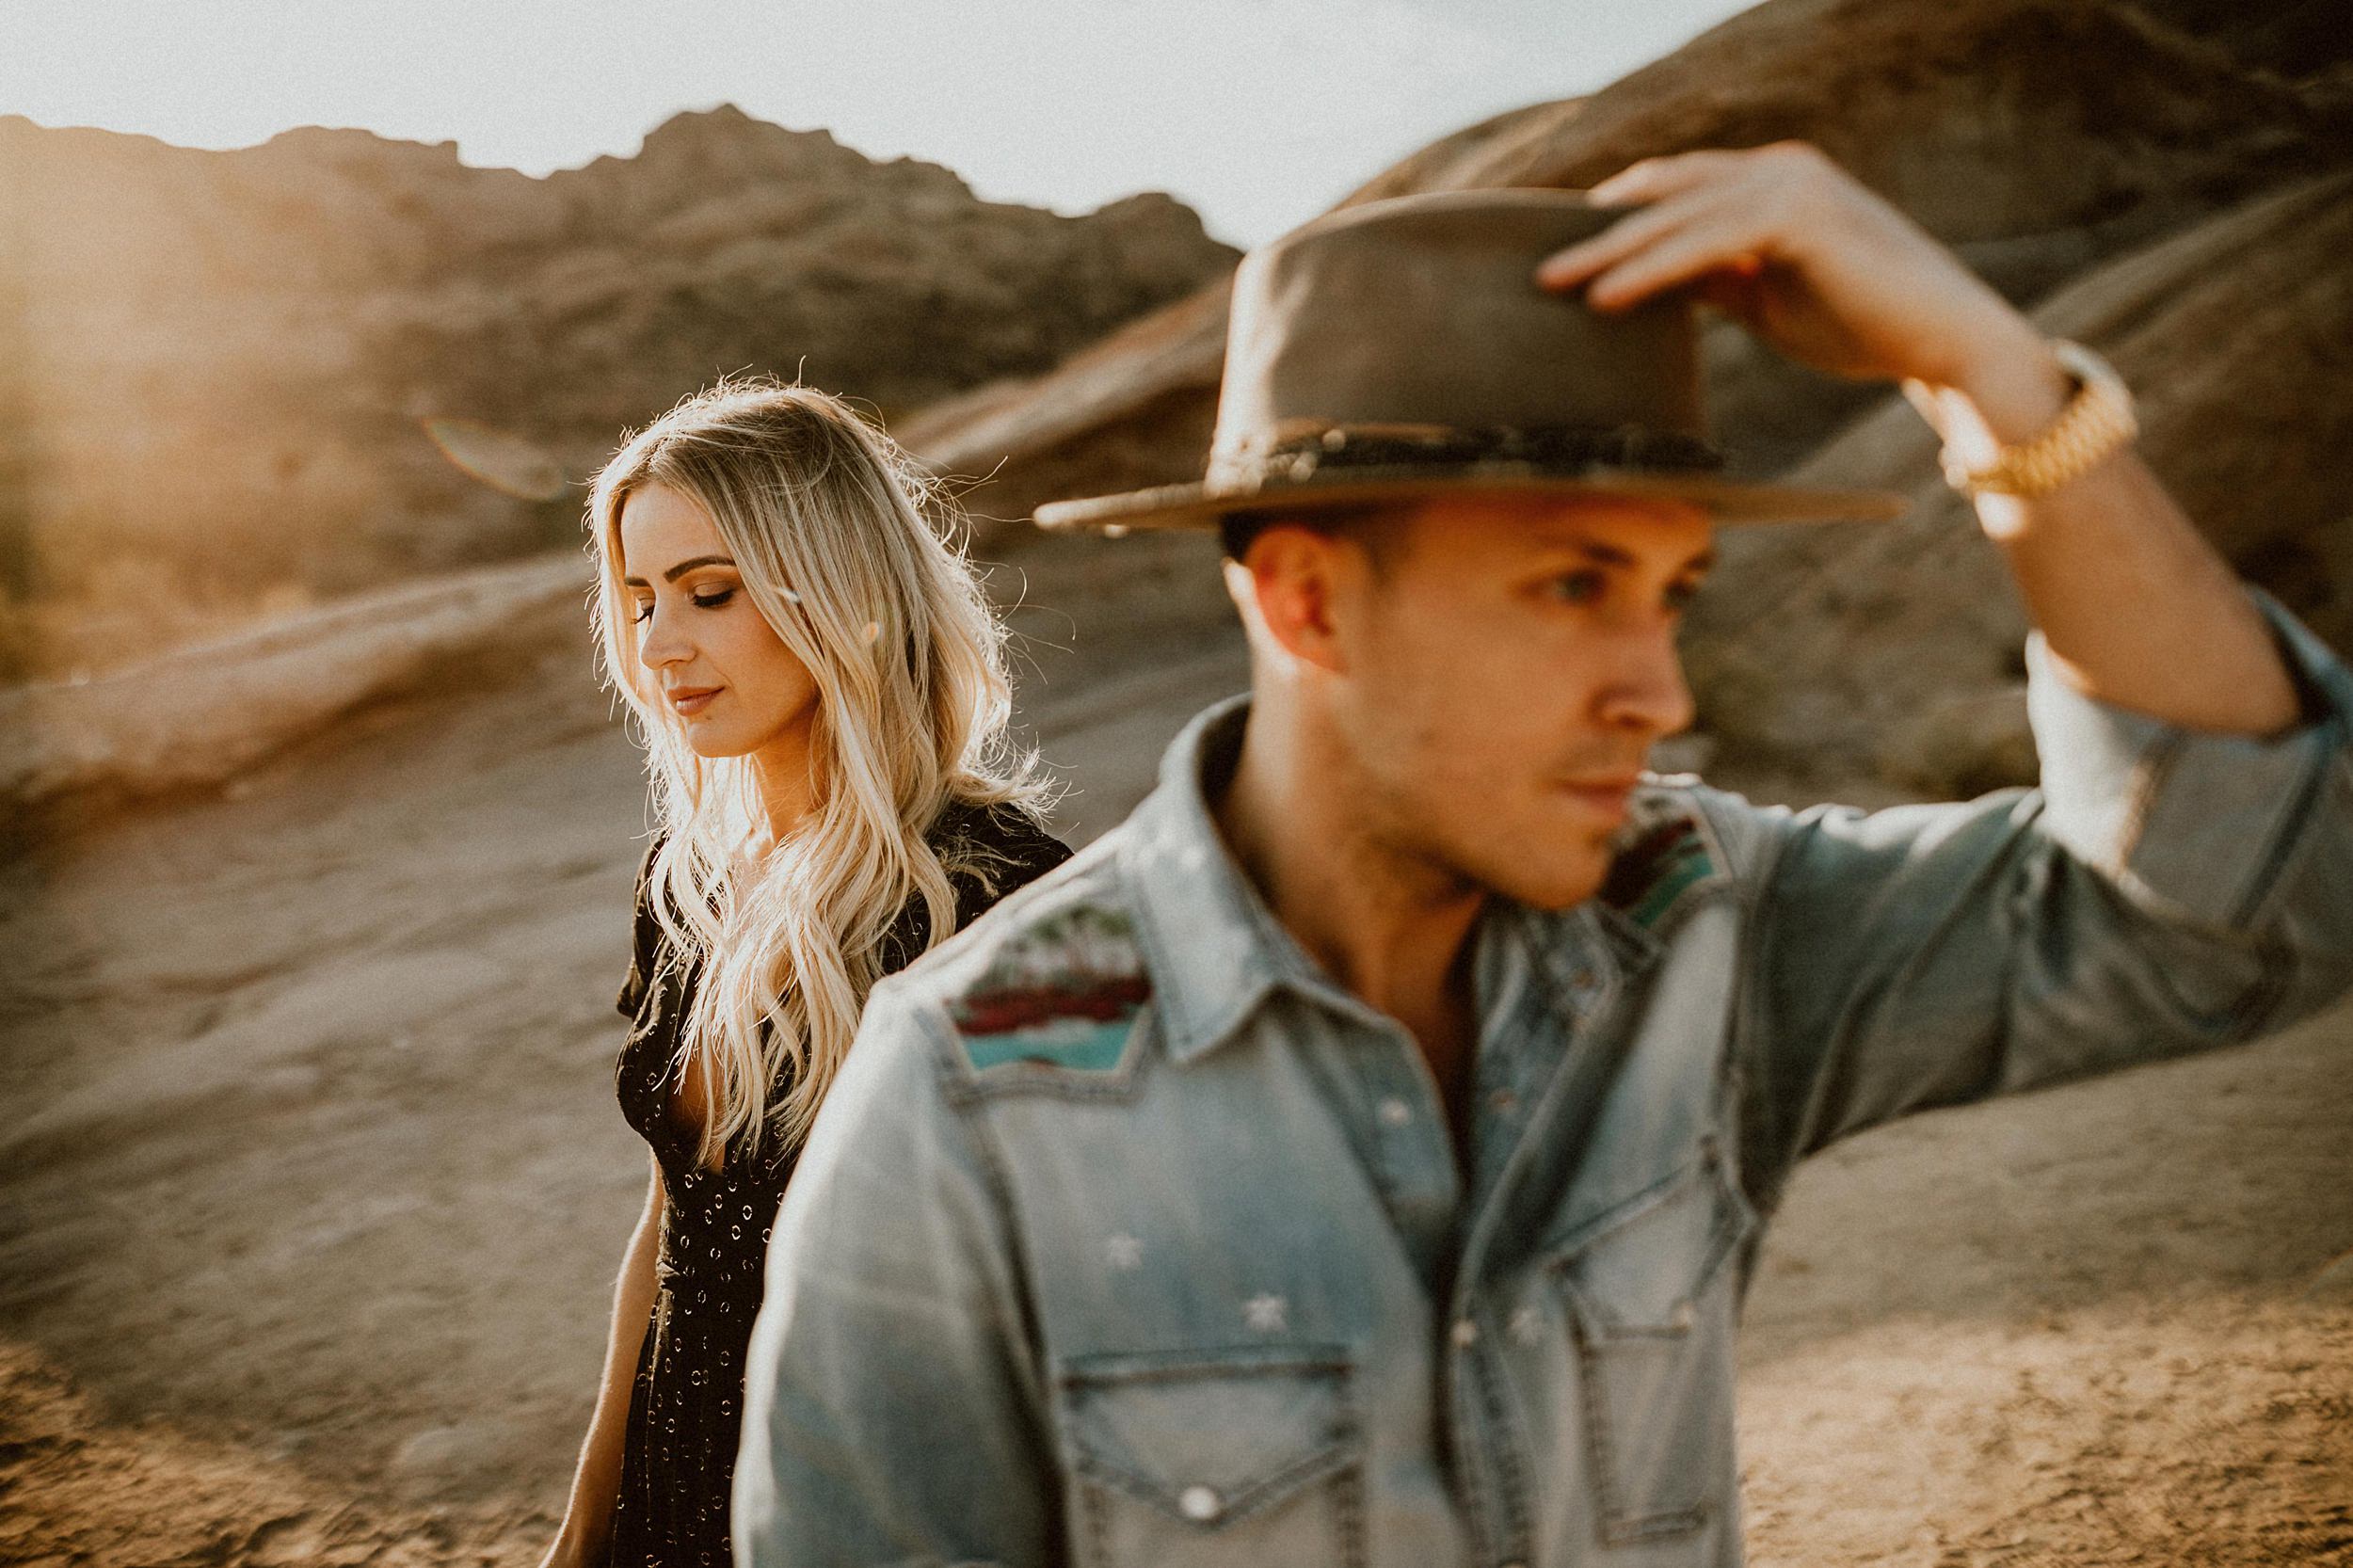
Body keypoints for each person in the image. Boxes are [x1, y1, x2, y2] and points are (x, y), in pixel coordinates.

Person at [733, 146, 2353, 1567]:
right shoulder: (976, 1093)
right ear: (1307, 600)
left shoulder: (1707, 928)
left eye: (1673, 594)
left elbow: (2252, 904)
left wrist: (1993, 382)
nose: (1662, 692)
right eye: (1577, 586)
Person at [537, 379, 1071, 1568]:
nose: (657, 643)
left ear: (837, 592)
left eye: (709, 591)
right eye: (639, 597)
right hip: (678, 1488)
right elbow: (673, 1225)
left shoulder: (1000, 901)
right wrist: (586, 1523)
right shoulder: (689, 884)